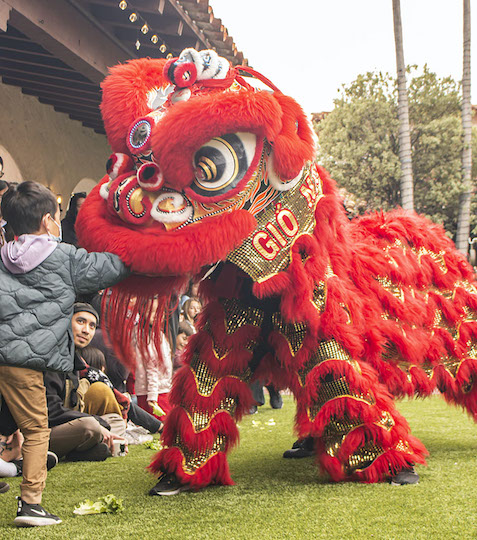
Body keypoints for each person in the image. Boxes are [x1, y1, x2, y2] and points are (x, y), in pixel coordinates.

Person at [0, 181, 129, 527]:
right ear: (47, 221)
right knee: (37, 429)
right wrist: (136, 243)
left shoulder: (2, 257)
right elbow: (113, 268)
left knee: (20, 426)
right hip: (24, 363)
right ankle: (30, 504)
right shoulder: (63, 257)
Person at [45, 304, 129, 463]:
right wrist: (97, 423)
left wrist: (100, 424)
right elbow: (51, 411)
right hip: (42, 433)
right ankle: (88, 446)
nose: (86, 330)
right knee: (90, 426)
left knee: (115, 420)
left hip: (68, 426)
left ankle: (82, 451)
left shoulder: (74, 361)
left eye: (92, 326)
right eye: (81, 322)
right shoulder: (52, 358)